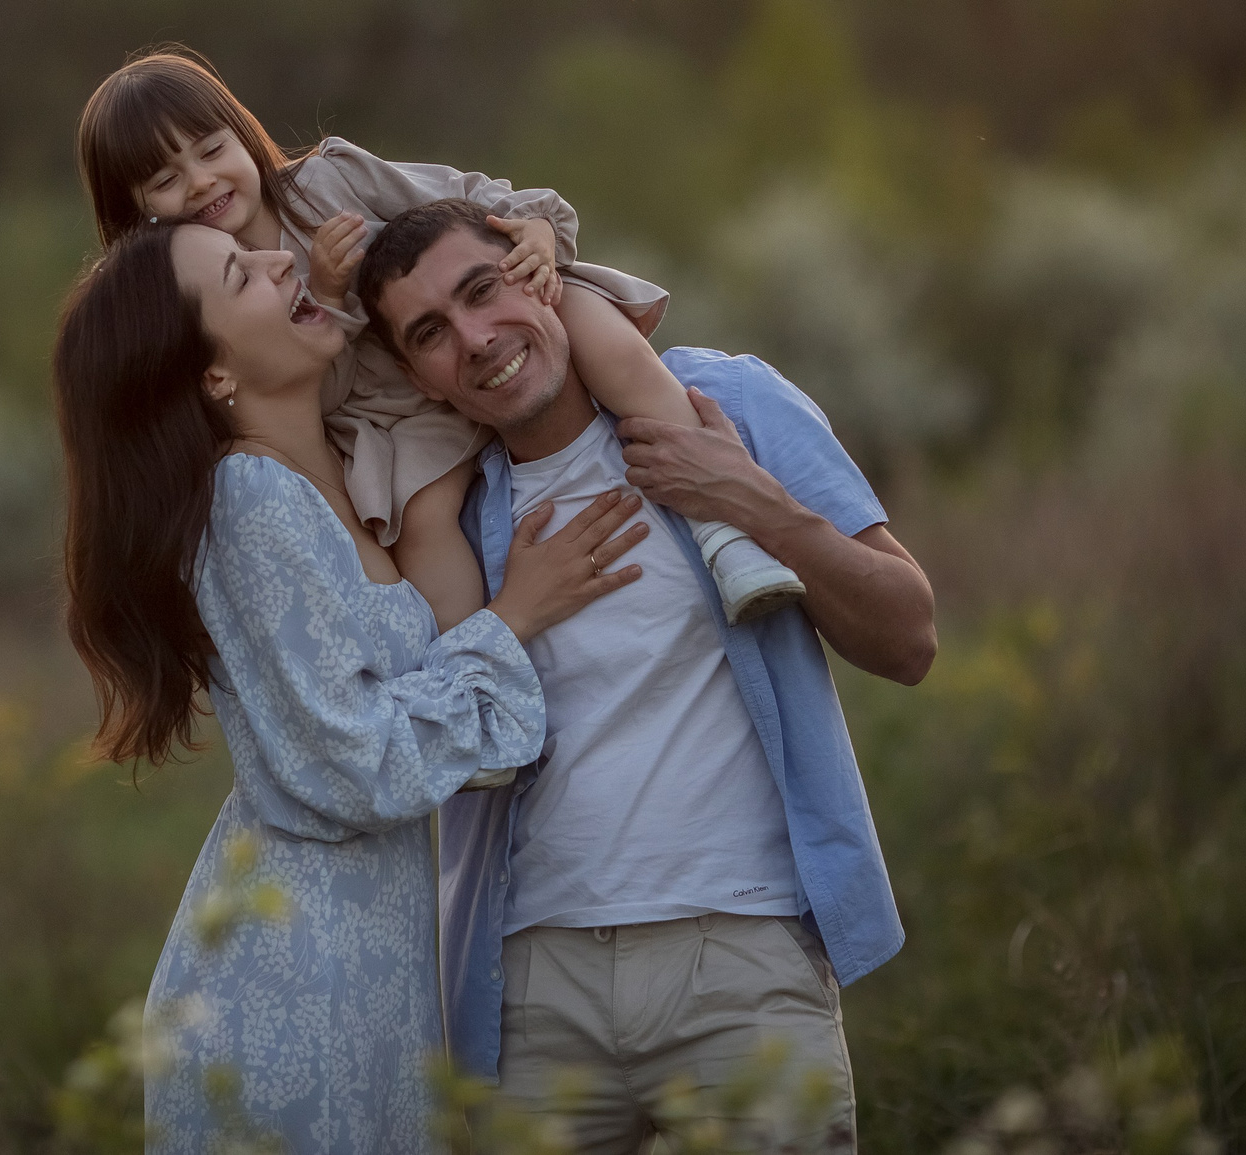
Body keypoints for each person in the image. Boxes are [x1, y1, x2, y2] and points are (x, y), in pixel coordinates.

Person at [51, 220, 651, 1152]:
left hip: (370, 961)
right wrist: (515, 617)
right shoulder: (250, 500)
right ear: (213, 373)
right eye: (241, 274)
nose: (282, 258)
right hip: (295, 980)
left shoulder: (339, 478)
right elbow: (353, 761)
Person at [356, 198, 939, 1154]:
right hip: (528, 985)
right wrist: (514, 614)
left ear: (538, 275)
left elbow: (908, 637)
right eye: (431, 332)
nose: (476, 337)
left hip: (742, 952)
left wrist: (757, 506)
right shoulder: (442, 517)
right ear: (417, 375)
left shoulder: (729, 403)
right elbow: (410, 739)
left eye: (482, 289)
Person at [76, 46, 806, 632]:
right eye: (166, 181)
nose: (202, 182)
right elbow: (306, 392)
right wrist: (326, 296)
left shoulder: (327, 182)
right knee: (424, 522)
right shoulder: (194, 313)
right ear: (139, 217)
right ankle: (478, 678)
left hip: (473, 335)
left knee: (589, 321)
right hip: (387, 420)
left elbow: (462, 203)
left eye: (209, 148)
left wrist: (534, 229)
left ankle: (724, 535)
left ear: (241, 131)